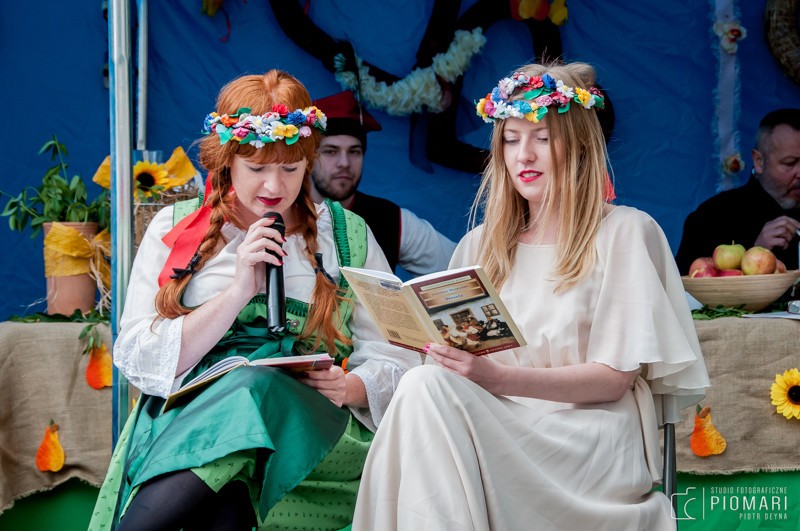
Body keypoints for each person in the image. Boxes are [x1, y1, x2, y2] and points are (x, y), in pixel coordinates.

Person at [352, 61, 710, 530]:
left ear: (578, 145)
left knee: (425, 390)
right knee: (422, 383)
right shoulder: (480, 245)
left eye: (543, 138)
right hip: (499, 426)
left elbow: (613, 380)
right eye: (511, 139)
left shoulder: (625, 231)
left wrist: (496, 378)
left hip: (589, 439)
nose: (524, 155)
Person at [88, 70, 418, 531]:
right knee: (230, 482)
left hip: (309, 435)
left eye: (290, 169)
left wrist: (352, 386)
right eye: (257, 169)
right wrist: (239, 289)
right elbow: (138, 357)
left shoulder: (348, 236)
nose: (274, 187)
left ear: (308, 162)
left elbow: (401, 351)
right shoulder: (175, 228)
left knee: (253, 390)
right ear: (227, 162)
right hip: (189, 427)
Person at [310, 90, 456, 275]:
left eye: (354, 151)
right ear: (309, 158)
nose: (344, 163)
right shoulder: (285, 216)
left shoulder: (391, 219)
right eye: (331, 151)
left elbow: (460, 269)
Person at [676, 108, 800, 274]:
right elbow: (686, 283)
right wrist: (754, 253)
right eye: (790, 163)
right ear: (759, 161)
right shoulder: (712, 216)